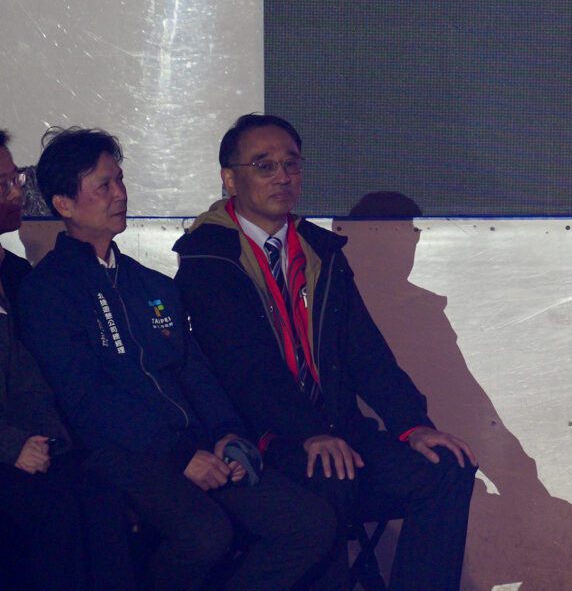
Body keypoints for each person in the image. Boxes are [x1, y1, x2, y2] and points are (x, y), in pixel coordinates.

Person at [17, 127, 334, 591]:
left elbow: (194, 371)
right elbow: (86, 399)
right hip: (118, 453)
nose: (120, 194)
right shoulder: (48, 291)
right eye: (103, 185)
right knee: (205, 535)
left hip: (193, 442)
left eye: (120, 180)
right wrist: (180, 455)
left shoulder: (152, 284)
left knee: (309, 523)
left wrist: (227, 433)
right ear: (64, 204)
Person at [176, 114, 476, 591]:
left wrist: (412, 425)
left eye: (291, 164)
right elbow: (245, 370)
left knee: (447, 469)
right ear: (230, 179)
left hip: (339, 431)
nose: (282, 176)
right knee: (331, 476)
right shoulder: (208, 255)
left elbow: (366, 352)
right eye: (264, 165)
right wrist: (309, 433)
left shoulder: (319, 251)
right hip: (264, 439)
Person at [0, 128, 140, 590]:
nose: (17, 192)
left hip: (36, 443)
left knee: (100, 497)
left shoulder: (16, 274)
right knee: (59, 513)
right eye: (4, 184)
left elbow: (28, 379)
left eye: (16, 179)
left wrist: (48, 440)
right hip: (11, 450)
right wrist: (12, 444)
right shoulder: (46, 285)